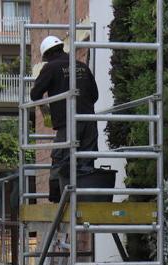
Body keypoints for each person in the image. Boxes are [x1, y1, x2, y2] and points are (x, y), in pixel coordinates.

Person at [30, 35, 99, 178]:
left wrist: (46, 107)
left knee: (61, 160)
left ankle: (60, 197)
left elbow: (35, 94)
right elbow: (95, 95)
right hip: (89, 122)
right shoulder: (82, 66)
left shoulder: (51, 67)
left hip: (68, 124)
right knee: (86, 163)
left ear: (47, 54)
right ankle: (85, 196)